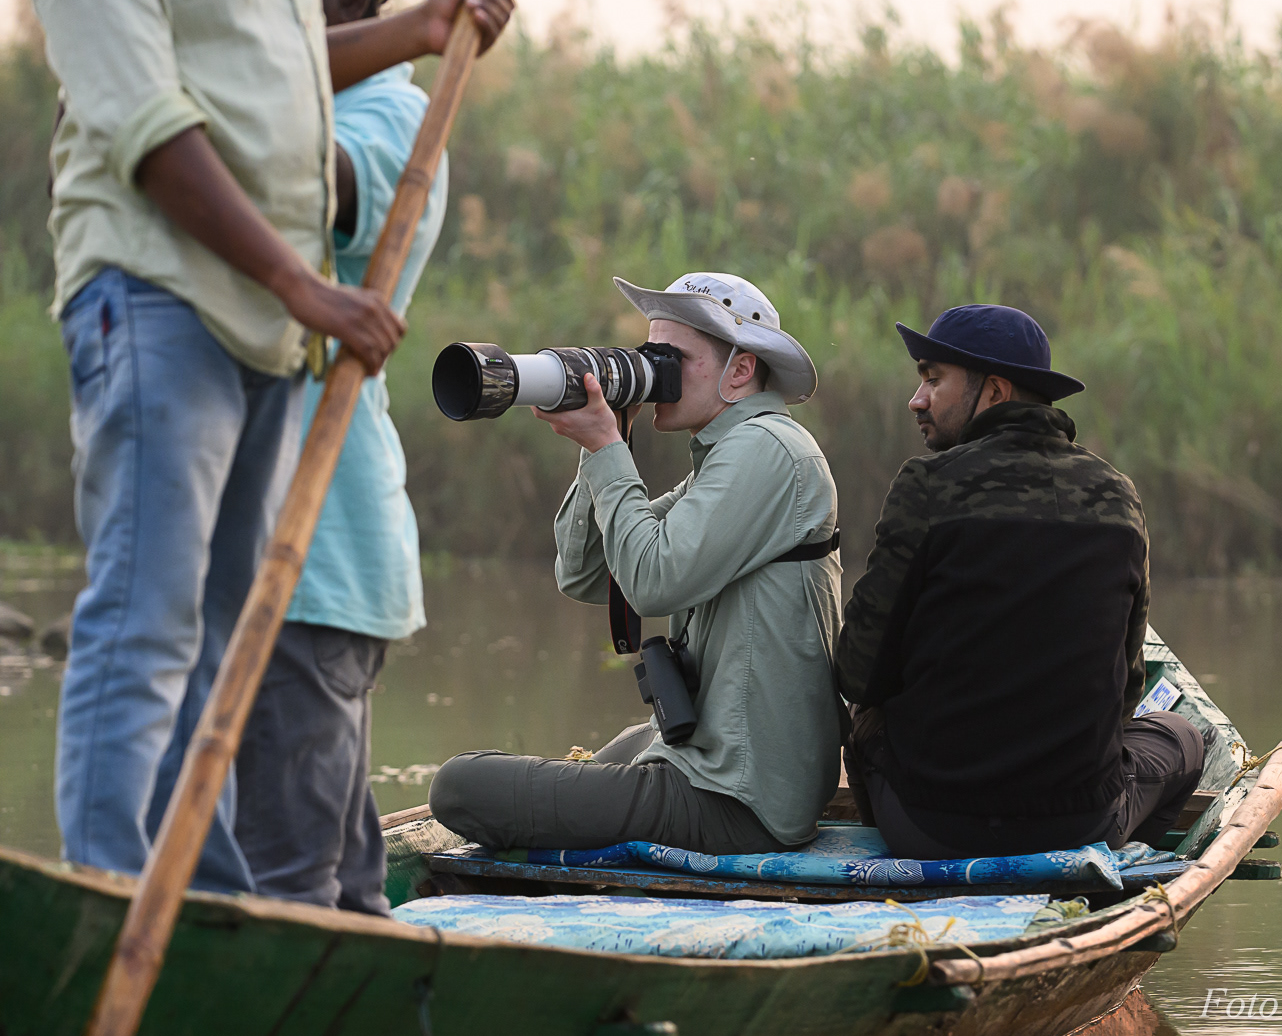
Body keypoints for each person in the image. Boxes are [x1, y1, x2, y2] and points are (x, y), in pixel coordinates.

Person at [32, 0, 513, 892]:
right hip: (177, 301)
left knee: (220, 683)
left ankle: (207, 914)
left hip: (326, 537)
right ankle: (117, 903)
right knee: (151, 633)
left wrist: (415, 33)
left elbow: (262, 94)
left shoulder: (388, 103)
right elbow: (165, 119)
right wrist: (297, 280)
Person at [430, 272, 843, 855]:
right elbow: (586, 574)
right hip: (716, 768)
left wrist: (608, 452)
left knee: (458, 786)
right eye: (649, 356)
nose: (655, 376)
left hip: (736, 800)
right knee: (618, 748)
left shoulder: (769, 451)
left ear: (742, 370)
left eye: (671, 360)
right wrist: (600, 442)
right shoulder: (727, 456)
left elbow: (652, 582)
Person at [232, 0, 463, 917]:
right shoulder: (338, 100)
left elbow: (302, 175)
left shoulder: (390, 112)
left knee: (289, 888)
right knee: (341, 879)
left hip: (320, 546)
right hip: (291, 548)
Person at [835, 304, 1205, 860]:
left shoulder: (927, 487)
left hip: (928, 829)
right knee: (1184, 736)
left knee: (868, 720)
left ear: (995, 391)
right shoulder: (1117, 497)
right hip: (1078, 824)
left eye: (934, 380)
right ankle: (1108, 875)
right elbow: (1124, 691)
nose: (917, 399)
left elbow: (858, 672)